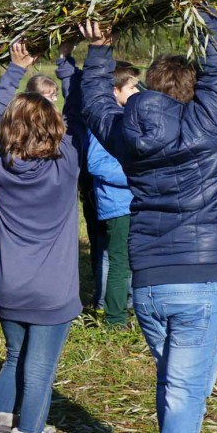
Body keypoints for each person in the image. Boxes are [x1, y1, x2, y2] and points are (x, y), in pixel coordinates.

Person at [81, 3, 217, 433]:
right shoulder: (207, 126)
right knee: (186, 389)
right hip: (199, 279)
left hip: (147, 282)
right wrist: (203, 15)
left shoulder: (128, 132)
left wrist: (99, 49)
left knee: (178, 382)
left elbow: (93, 102)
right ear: (190, 94)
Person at [0, 40, 82, 433]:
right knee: (39, 370)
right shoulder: (66, 166)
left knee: (13, 359)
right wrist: (68, 64)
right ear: (55, 127)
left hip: (11, 285)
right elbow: (83, 113)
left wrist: (13, 69)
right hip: (54, 289)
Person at [86, 61, 141, 329]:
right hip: (117, 204)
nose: (136, 91)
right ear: (115, 91)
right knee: (120, 261)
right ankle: (115, 318)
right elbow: (96, 164)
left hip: (131, 202)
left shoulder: (126, 115)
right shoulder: (103, 122)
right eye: (132, 86)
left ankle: (128, 306)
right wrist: (136, 175)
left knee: (129, 259)